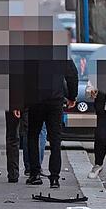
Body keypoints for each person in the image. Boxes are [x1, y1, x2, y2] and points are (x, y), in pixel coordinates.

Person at [19, 44, 79, 188]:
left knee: (33, 135)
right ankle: (55, 177)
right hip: (55, 100)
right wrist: (72, 96)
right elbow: (72, 74)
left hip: (36, 100)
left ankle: (35, 174)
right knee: (55, 140)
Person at [5, 109, 46, 182]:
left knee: (12, 135)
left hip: (11, 103)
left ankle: (13, 173)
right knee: (29, 133)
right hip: (28, 104)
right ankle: (32, 168)